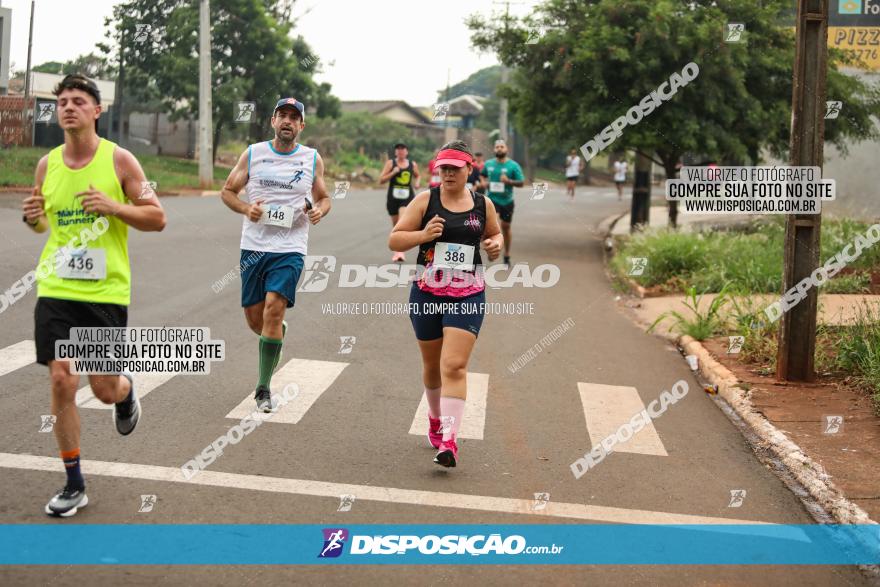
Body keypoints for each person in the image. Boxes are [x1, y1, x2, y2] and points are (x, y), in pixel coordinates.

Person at [22, 74, 167, 517]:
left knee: (102, 389)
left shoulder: (121, 161)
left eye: (78, 101)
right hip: (57, 288)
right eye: (62, 101)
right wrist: (34, 220)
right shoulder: (46, 165)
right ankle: (74, 482)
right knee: (62, 378)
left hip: (104, 292)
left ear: (96, 111)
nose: (68, 107)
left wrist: (114, 207)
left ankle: (124, 393)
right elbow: (43, 223)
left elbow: (157, 217)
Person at [389, 140, 503, 468]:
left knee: (453, 365)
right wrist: (423, 235)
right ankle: (435, 419)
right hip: (427, 291)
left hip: (467, 292)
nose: (449, 173)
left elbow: (495, 235)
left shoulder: (483, 205)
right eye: (444, 168)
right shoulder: (426, 200)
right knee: (432, 365)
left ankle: (449, 441)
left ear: (470, 169)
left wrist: (495, 245)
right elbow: (395, 239)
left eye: (456, 167)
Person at [220, 97, 331, 413]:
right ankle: (275, 333)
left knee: (273, 308)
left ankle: (263, 388)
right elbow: (228, 192)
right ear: (272, 121)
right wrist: (246, 208)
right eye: (282, 115)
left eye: (293, 117)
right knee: (256, 320)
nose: (287, 121)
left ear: (301, 126)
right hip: (254, 246)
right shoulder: (254, 154)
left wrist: (320, 211)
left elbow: (323, 198)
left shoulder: (311, 159)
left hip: (290, 248)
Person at [479, 139, 523, 266]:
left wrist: (509, 181)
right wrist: (483, 182)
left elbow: (521, 182)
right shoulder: (488, 164)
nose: (499, 149)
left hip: (507, 201)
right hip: (492, 200)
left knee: (506, 227)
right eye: (497, 147)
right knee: (494, 225)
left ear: (506, 149)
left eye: (501, 147)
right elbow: (482, 175)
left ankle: (507, 254)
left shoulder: (513, 166)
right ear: (494, 149)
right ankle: (493, 251)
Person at [378, 142, 420, 262]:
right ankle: (398, 248)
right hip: (393, 198)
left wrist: (417, 182)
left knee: (402, 222)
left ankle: (400, 252)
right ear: (396, 152)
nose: (400, 151)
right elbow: (381, 180)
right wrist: (393, 172)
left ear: (406, 152)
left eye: (403, 149)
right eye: (398, 149)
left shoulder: (412, 164)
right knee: (396, 225)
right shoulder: (391, 163)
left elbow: (418, 175)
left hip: (407, 198)